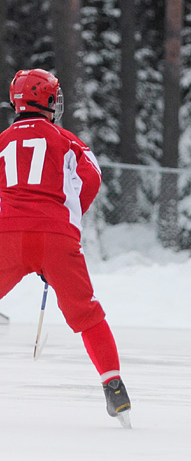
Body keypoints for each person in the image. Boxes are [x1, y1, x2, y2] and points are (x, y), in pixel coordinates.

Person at [0, 69, 131, 427]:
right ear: (47, 101)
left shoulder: (2, 141)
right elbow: (92, 176)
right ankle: (113, 385)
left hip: (8, 235)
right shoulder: (68, 140)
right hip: (56, 236)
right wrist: (68, 221)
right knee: (87, 315)